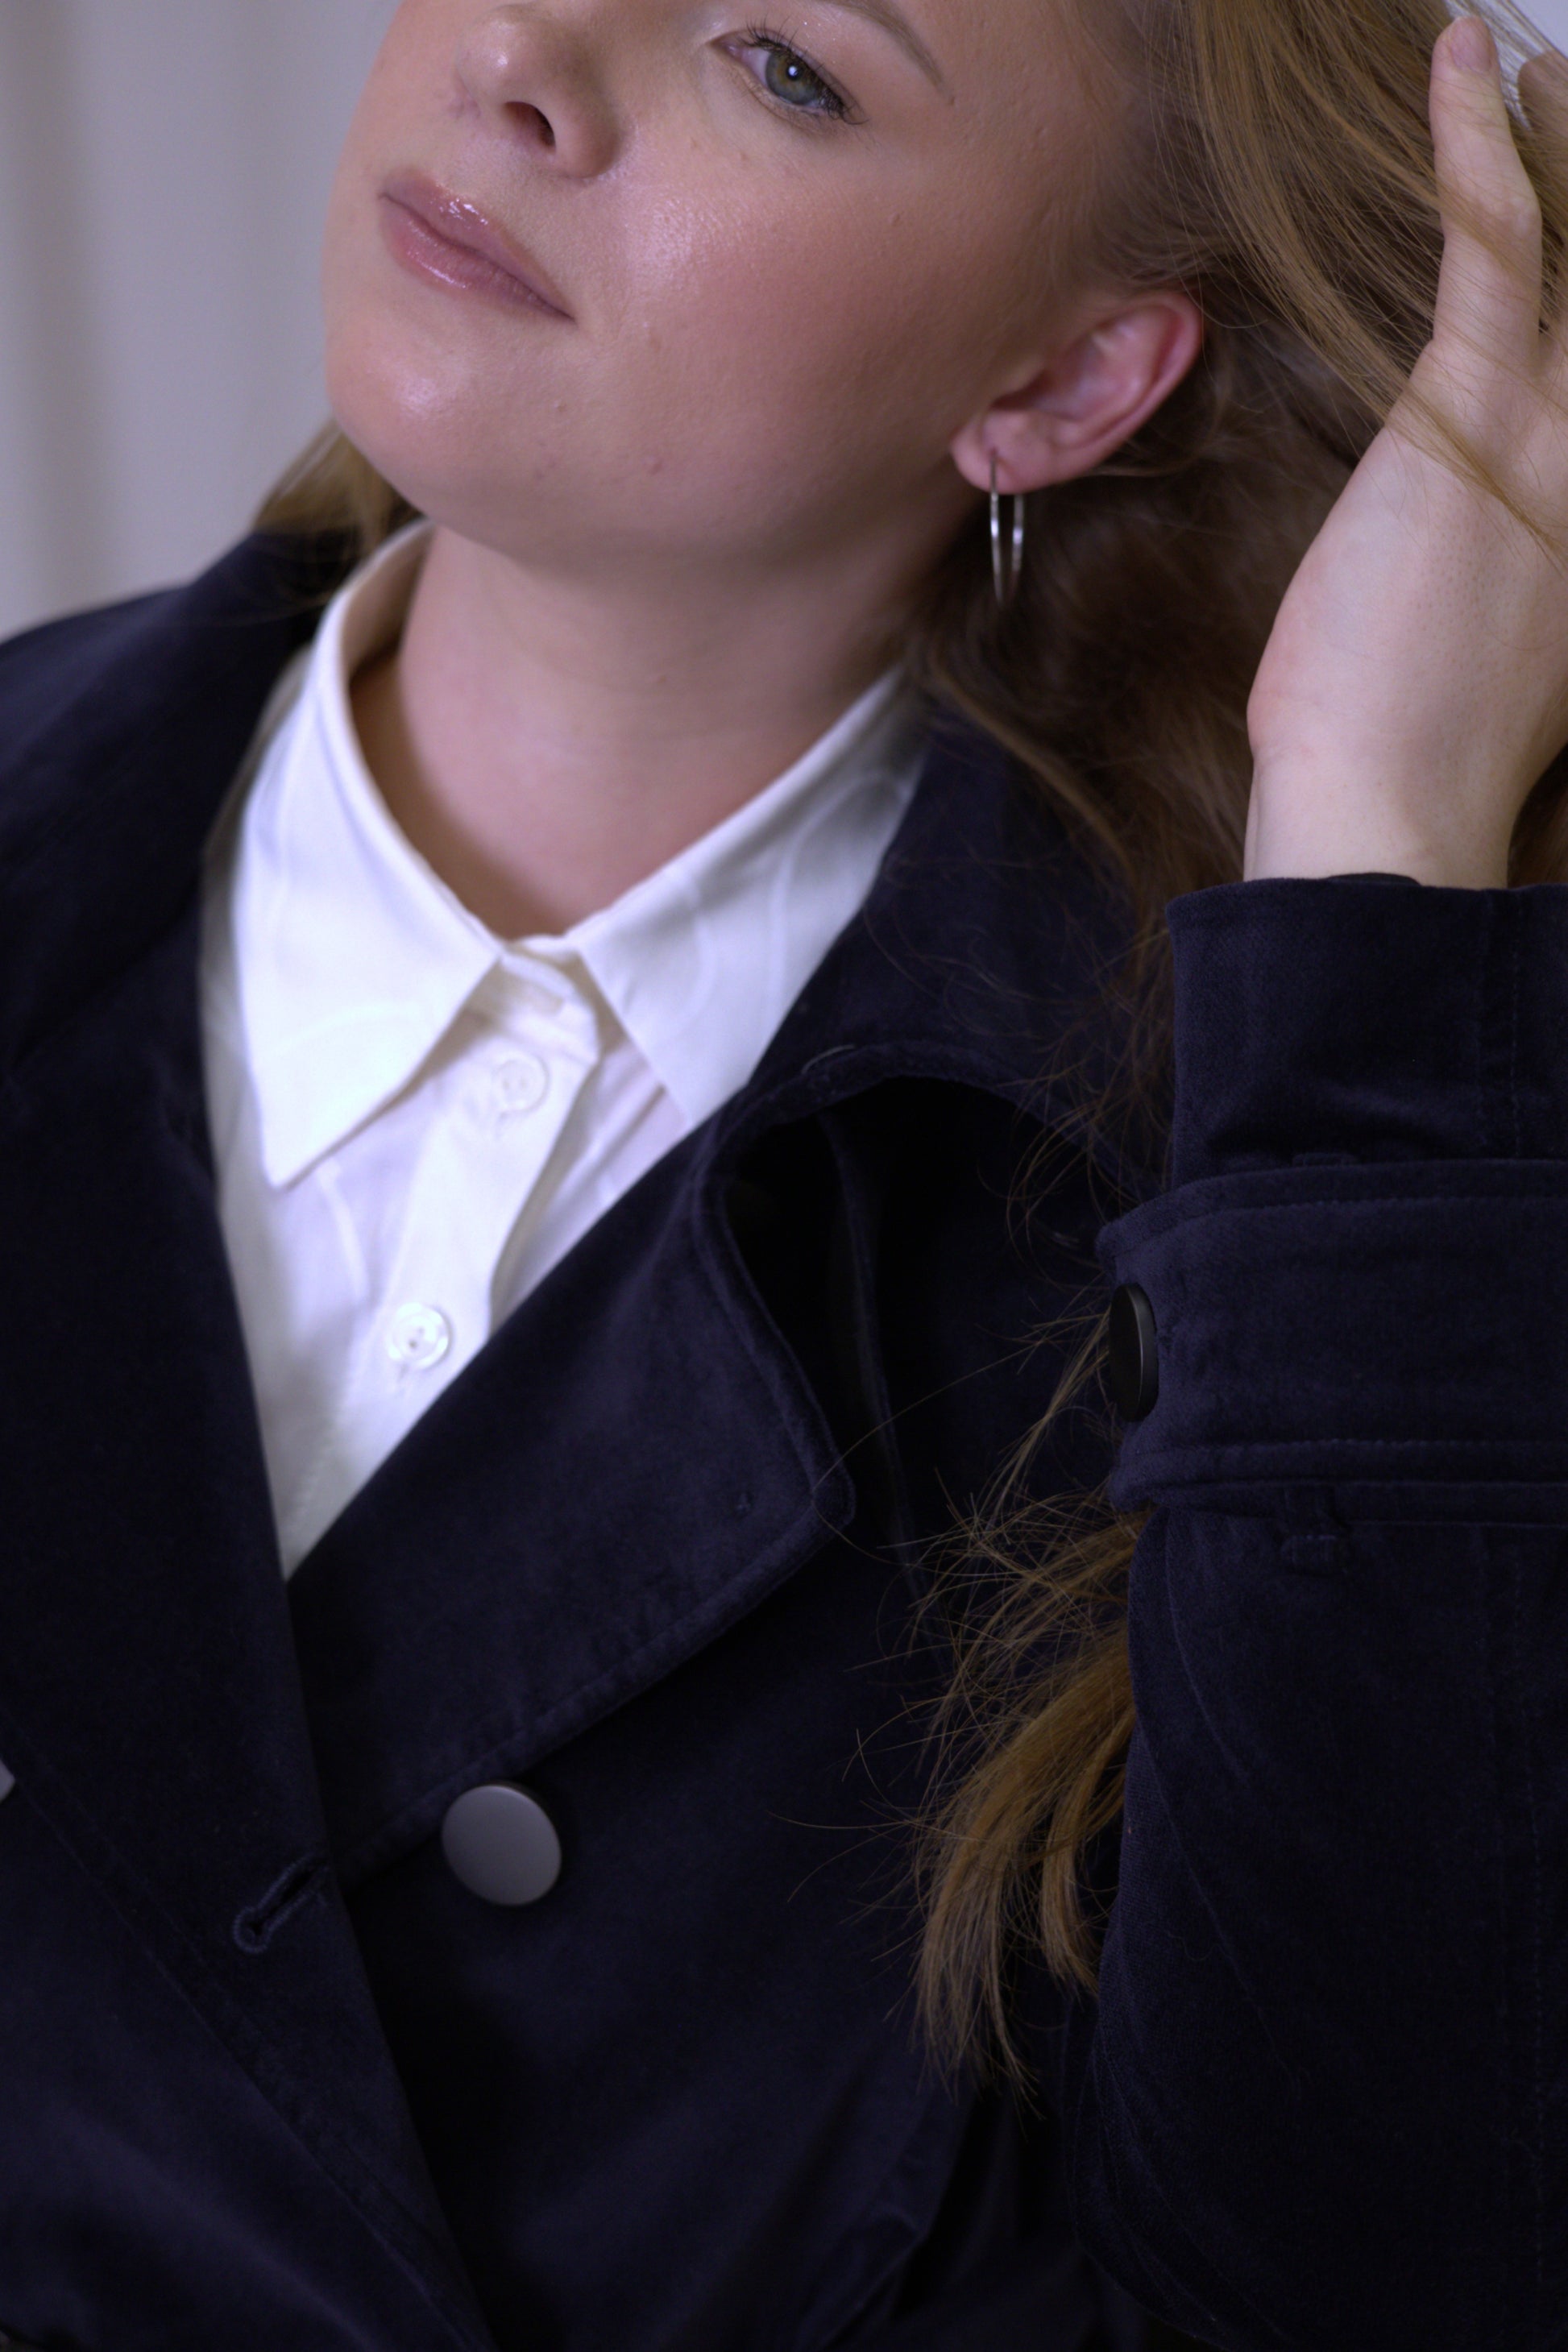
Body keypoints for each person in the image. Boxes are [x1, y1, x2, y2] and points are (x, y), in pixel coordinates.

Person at [0, 0, 1565, 2345]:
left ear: (1065, 383)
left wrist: (1373, 847)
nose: (521, 54)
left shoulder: (1263, 1231)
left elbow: (1369, 2280)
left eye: (788, 66)